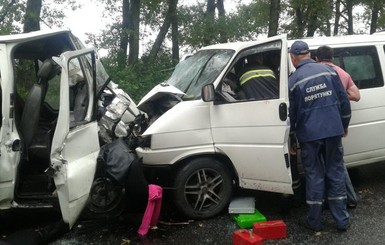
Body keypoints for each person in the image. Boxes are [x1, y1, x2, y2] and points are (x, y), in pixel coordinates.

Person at [288, 40, 351, 232]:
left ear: (293, 58)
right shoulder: (330, 71)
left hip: (309, 136)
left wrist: (292, 139)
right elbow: (344, 102)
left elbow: (292, 115)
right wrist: (344, 124)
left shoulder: (293, 81)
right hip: (333, 131)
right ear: (309, 55)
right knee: (335, 172)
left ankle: (315, 222)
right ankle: (341, 220)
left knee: (314, 176)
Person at [316, 45, 360, 209]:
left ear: (317, 59)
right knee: (337, 164)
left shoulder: (315, 71)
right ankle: (349, 198)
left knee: (320, 165)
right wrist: (341, 93)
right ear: (332, 58)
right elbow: (356, 96)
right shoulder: (342, 73)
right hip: (336, 124)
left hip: (317, 125)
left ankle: (328, 201)